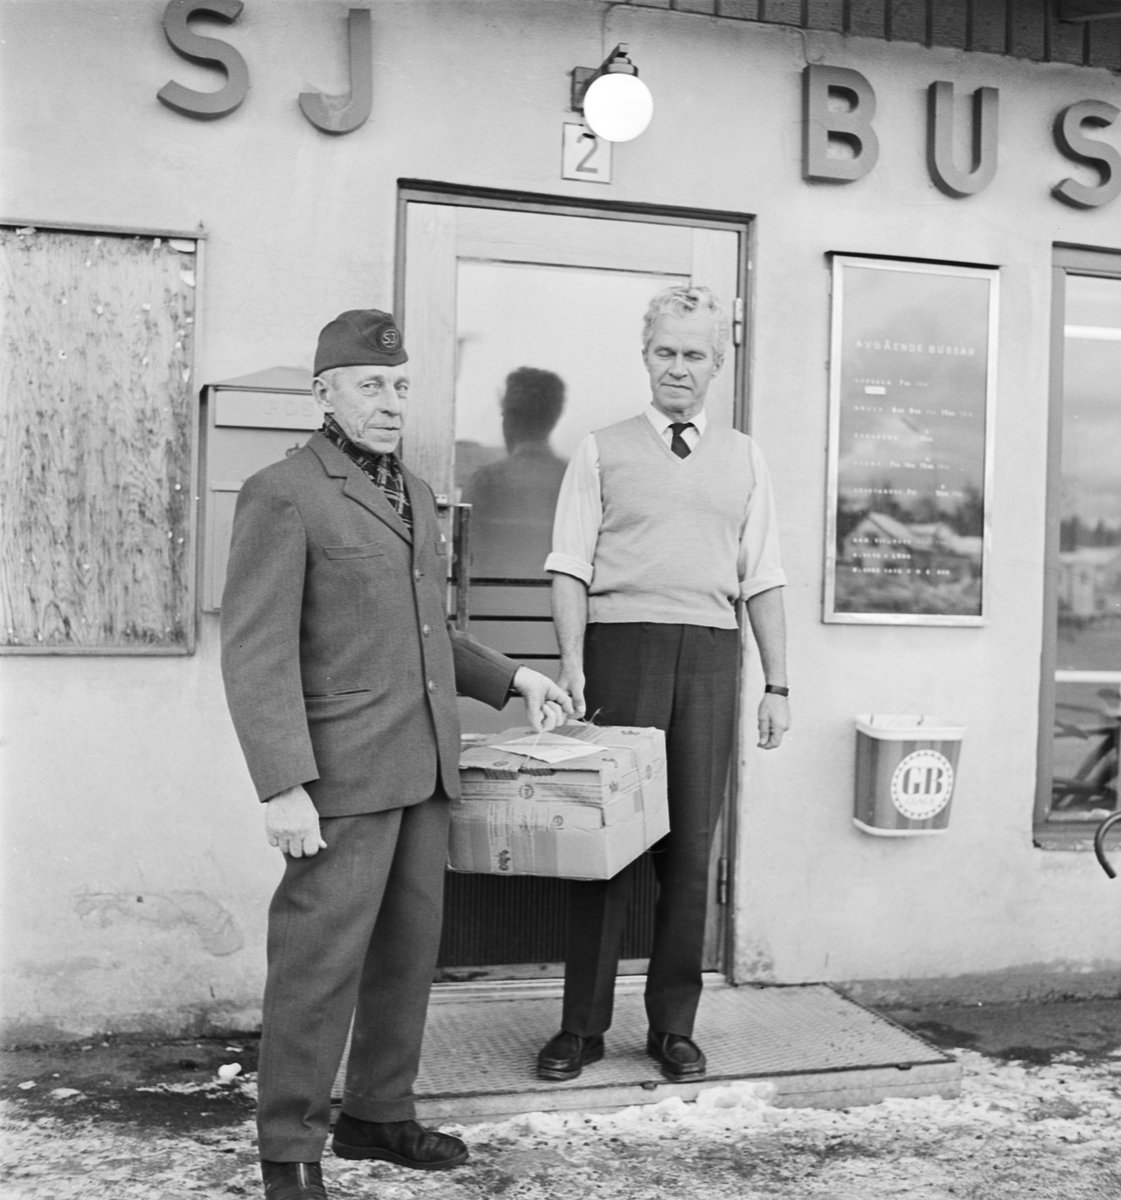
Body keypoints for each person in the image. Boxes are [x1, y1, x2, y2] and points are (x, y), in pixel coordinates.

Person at [220, 309, 572, 1200]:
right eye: (371, 384)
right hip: (337, 774)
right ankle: (288, 1148)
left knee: (407, 955)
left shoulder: (411, 491)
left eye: (402, 385)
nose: (390, 400)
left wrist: (514, 676)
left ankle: (377, 1116)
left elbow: (430, 633)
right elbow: (256, 651)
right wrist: (283, 784)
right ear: (324, 392)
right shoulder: (282, 491)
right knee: (317, 964)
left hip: (422, 768)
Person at [537, 285, 790, 1084]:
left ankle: (672, 1026)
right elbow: (570, 565)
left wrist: (777, 683)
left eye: (694, 355)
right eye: (665, 352)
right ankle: (580, 1028)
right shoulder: (599, 449)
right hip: (619, 652)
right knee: (605, 844)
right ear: (645, 356)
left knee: (689, 852)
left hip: (711, 657)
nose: (678, 368)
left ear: (718, 364)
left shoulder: (744, 456)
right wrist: (573, 663)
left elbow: (764, 578)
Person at [463, 366, 568, 579]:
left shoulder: (486, 482)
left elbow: (467, 559)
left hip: (493, 606)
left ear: (508, 418)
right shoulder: (575, 478)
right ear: (555, 417)